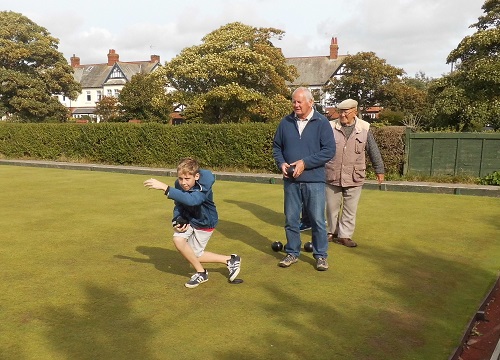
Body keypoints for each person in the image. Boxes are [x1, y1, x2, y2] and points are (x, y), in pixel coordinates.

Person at [143, 157, 241, 288]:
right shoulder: (179, 184)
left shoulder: (204, 184)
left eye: (187, 179)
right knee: (178, 240)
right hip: (190, 219)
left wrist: (165, 188)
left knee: (194, 255)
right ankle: (201, 272)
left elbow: (193, 200)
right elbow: (179, 204)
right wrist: (177, 219)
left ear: (196, 176)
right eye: (180, 178)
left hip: (205, 222)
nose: (183, 183)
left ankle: (229, 259)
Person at [272, 87, 336, 271]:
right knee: (291, 219)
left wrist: (304, 163)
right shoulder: (285, 122)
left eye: (299, 101)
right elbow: (277, 147)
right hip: (291, 181)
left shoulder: (322, 122)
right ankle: (292, 252)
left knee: (316, 219)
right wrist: (282, 163)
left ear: (310, 102)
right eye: (294, 101)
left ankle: (321, 256)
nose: (296, 105)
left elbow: (329, 151)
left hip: (314, 181)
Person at [325, 99, 385, 248]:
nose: (342, 115)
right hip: (332, 173)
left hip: (354, 175)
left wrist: (379, 169)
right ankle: (331, 232)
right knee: (331, 207)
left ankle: (345, 236)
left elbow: (373, 150)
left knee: (350, 208)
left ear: (355, 112)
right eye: (340, 111)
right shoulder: (329, 126)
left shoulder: (365, 127)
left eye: (346, 112)